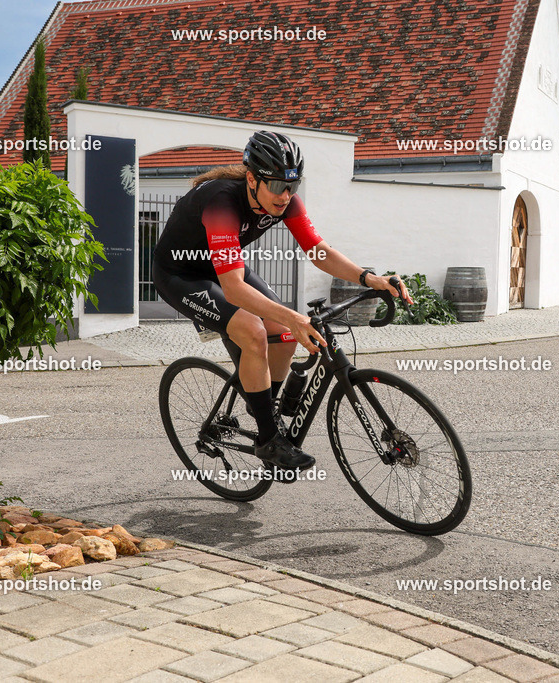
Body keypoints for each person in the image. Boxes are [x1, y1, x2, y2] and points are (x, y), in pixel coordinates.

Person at [151, 131, 411, 471]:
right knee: (254, 331)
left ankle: (260, 403)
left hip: (222, 268)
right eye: (277, 186)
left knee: (285, 334)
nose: (286, 195)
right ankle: (268, 440)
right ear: (252, 179)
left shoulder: (284, 199)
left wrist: (370, 278)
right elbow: (233, 289)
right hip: (180, 276)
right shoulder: (221, 202)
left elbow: (318, 252)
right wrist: (292, 316)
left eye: (293, 186)